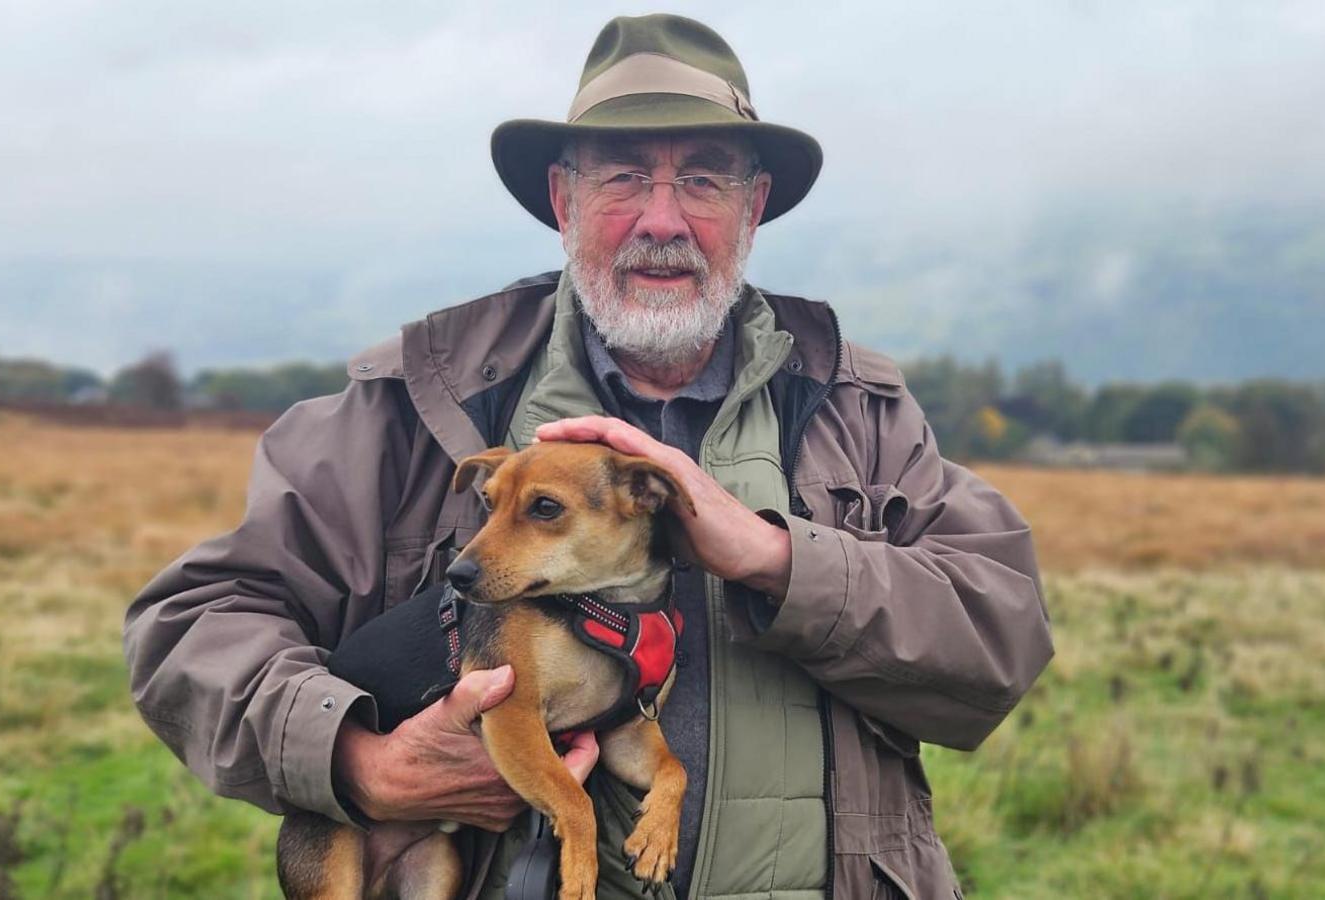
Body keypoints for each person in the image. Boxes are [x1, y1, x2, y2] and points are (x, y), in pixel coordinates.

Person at [124, 13, 1053, 899]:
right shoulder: (417, 401)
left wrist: (779, 559)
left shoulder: (858, 406)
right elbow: (193, 623)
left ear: (754, 205)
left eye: (702, 179)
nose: (662, 220)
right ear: (563, 199)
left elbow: (1002, 633)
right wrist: (356, 761)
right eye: (620, 178)